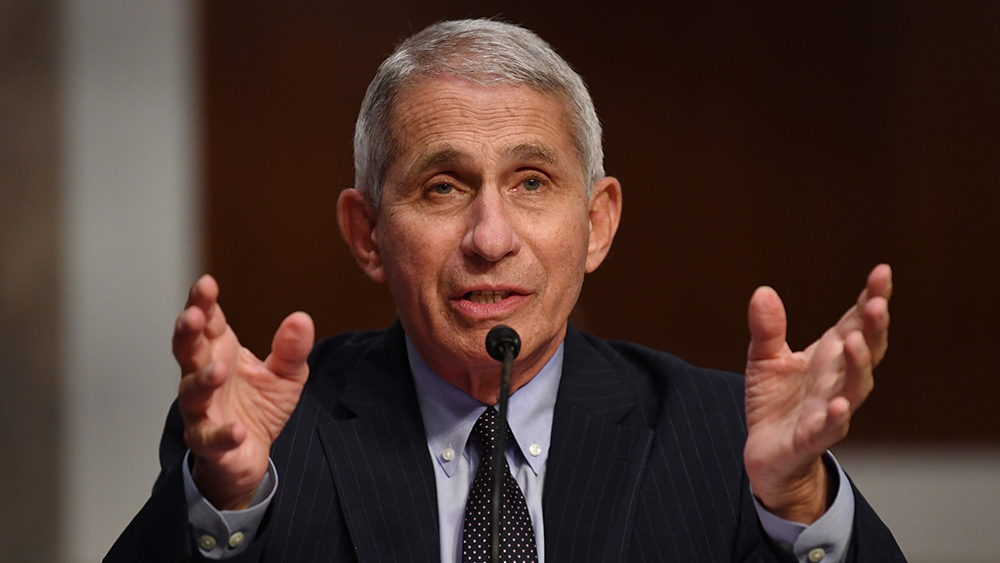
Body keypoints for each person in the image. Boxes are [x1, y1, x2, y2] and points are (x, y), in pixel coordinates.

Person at [107, 19, 905, 563]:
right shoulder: (269, 442)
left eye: (531, 182)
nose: (491, 237)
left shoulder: (720, 438)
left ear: (596, 224)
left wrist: (799, 500)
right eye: (443, 187)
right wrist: (226, 501)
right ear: (367, 233)